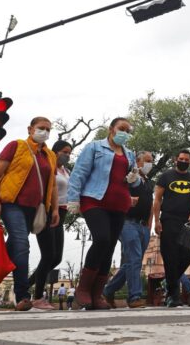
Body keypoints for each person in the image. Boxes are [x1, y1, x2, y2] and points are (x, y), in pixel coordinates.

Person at [0, 117, 59, 312]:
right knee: (22, 243)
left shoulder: (50, 155)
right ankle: (22, 296)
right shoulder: (16, 146)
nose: (44, 132)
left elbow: (53, 185)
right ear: (30, 129)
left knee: (11, 249)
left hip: (36, 209)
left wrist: (54, 209)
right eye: (41, 128)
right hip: (12, 204)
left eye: (48, 129)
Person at [67, 117, 140, 310]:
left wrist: (134, 178)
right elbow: (79, 172)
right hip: (94, 200)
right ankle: (83, 289)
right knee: (102, 239)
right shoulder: (94, 148)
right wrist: (73, 198)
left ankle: (97, 294)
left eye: (128, 130)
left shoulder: (129, 154)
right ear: (111, 129)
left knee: (109, 249)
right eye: (121, 128)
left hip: (119, 204)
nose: (125, 133)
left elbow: (134, 182)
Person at [104, 151, 155, 309]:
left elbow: (151, 205)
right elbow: (129, 182)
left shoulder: (148, 182)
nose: (150, 164)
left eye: (151, 161)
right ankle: (134, 296)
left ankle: (108, 290)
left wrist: (150, 223)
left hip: (143, 226)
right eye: (147, 160)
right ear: (138, 162)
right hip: (127, 223)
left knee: (133, 262)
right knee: (134, 259)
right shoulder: (132, 177)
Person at [153, 149, 190, 308]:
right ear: (176, 160)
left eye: (187, 160)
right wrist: (156, 221)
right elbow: (157, 200)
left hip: (186, 223)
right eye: (181, 159)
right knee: (169, 257)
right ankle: (173, 296)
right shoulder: (166, 176)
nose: (184, 161)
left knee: (188, 254)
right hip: (168, 220)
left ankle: (169, 283)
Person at [28, 140, 73, 310]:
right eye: (64, 152)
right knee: (47, 255)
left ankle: (26, 285)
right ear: (55, 151)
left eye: (69, 153)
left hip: (61, 213)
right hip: (47, 211)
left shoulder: (66, 171)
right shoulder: (49, 166)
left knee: (56, 258)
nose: (67, 155)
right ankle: (38, 297)